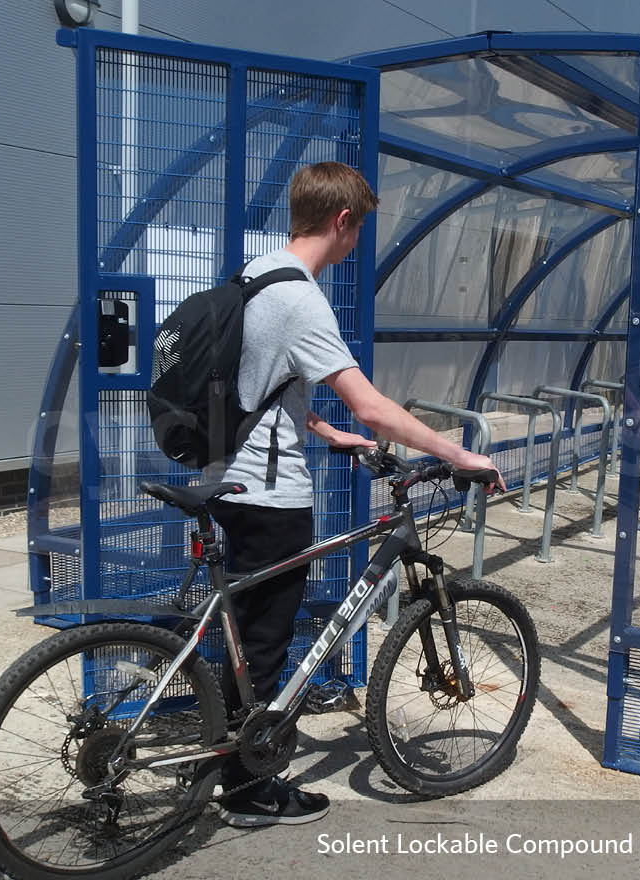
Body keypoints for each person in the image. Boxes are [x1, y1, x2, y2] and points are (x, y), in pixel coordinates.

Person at [209, 161, 504, 827]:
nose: (354, 245)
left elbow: (253, 376)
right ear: (343, 221)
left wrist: (320, 429)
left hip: (230, 471)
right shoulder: (303, 298)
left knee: (250, 635)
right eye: (358, 231)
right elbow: (372, 407)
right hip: (269, 491)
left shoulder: (257, 272)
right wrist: (460, 453)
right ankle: (247, 790)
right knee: (266, 642)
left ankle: (229, 759)